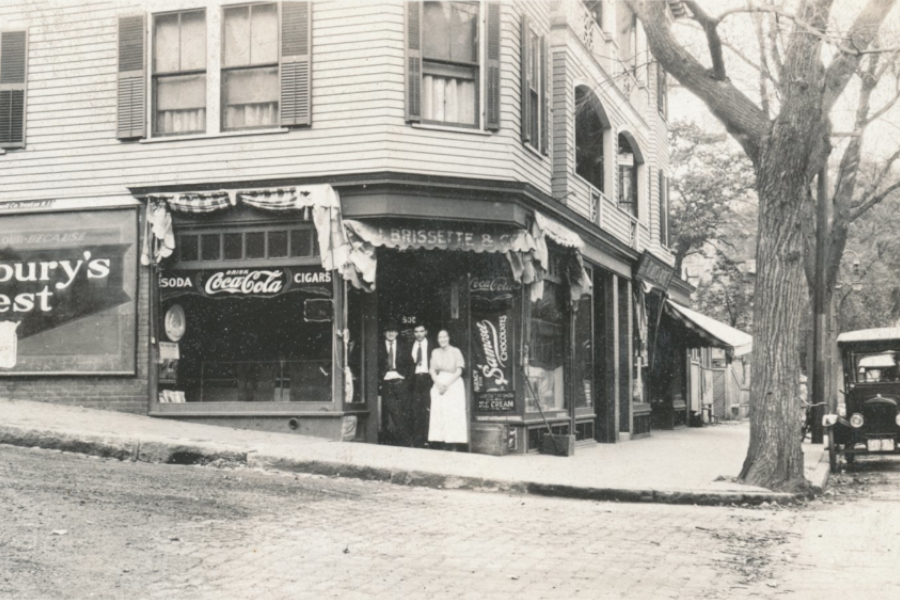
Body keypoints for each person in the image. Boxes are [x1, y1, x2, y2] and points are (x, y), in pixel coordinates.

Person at [428, 330, 468, 450]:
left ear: (449, 338)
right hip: (439, 383)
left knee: (453, 413)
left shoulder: (456, 351)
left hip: (453, 383)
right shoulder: (434, 352)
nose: (442, 339)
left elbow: (459, 371)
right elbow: (431, 370)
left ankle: (453, 443)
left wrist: (446, 385)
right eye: (440, 337)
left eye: (445, 337)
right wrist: (438, 383)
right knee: (439, 412)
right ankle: (441, 441)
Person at [378, 321, 413, 446]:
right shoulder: (379, 346)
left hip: (400, 382)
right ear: (384, 333)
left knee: (404, 411)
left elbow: (410, 365)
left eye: (393, 331)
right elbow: (374, 365)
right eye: (388, 331)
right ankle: (404, 441)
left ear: (397, 333)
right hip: (386, 383)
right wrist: (379, 381)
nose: (391, 333)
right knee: (392, 411)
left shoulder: (404, 346)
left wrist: (406, 382)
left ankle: (405, 441)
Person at [409, 322, 433, 448]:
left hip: (428, 378)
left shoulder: (432, 345)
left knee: (428, 409)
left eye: (421, 331)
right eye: (416, 331)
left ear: (426, 332)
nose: (419, 334)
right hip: (415, 379)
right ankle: (418, 439)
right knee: (416, 409)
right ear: (413, 333)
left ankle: (428, 439)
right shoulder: (410, 345)